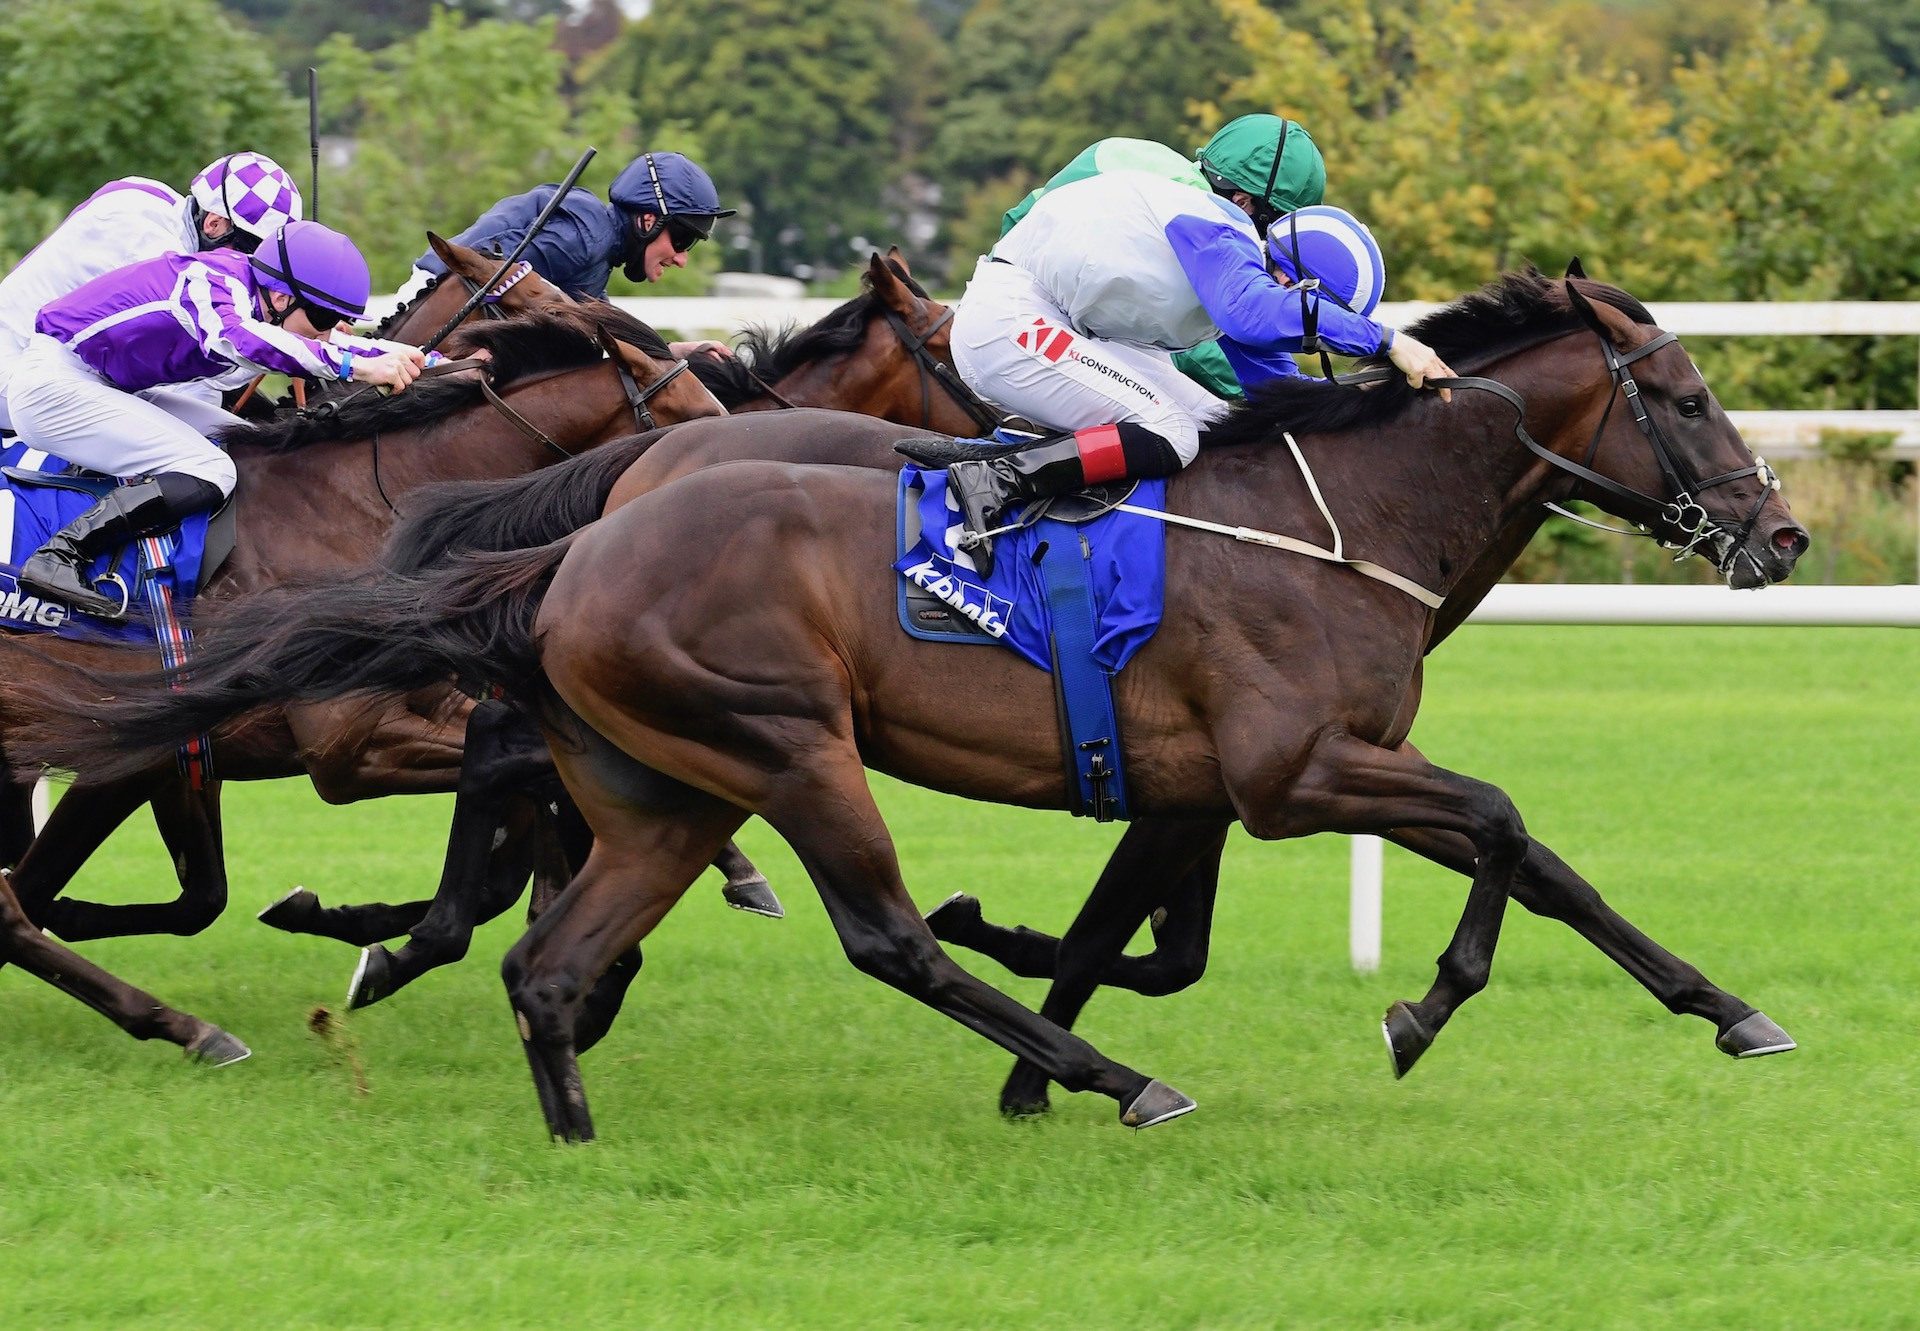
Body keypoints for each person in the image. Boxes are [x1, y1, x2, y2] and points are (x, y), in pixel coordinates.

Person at [940, 173, 1455, 573]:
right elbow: (1254, 312)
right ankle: (992, 481)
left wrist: (1373, 404)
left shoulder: (1236, 281)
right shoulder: (1223, 237)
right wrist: (1387, 341)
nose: (1307, 338)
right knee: (1174, 433)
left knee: (1216, 425)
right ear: (1290, 279)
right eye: (1315, 322)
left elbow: (1276, 394)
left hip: (1055, 322)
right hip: (1008, 318)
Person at [8, 220, 424, 618]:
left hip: (101, 383)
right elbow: (244, 340)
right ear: (281, 299)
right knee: (212, 469)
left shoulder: (257, 297)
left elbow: (346, 346)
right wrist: (352, 366)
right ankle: (61, 554)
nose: (333, 329)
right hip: (55, 386)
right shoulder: (212, 282)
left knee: (250, 445)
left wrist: (448, 364)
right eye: (324, 318)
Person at [999, 115, 1327, 401]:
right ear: (1242, 202)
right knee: (1178, 430)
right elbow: (1202, 347)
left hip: (1017, 288)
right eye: (1270, 228)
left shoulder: (1152, 160)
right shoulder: (1195, 217)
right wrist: (1285, 391)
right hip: (1031, 315)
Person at [0, 152, 304, 433]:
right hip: (16, 382)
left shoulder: (143, 194)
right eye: (251, 253)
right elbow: (209, 361)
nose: (254, 272)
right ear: (214, 224)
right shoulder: (155, 255)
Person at [402, 151, 736, 363]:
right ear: (648, 220)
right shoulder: (587, 239)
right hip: (430, 314)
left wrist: (673, 350)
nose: (681, 258)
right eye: (683, 239)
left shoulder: (597, 250)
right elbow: (488, 272)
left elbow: (601, 328)